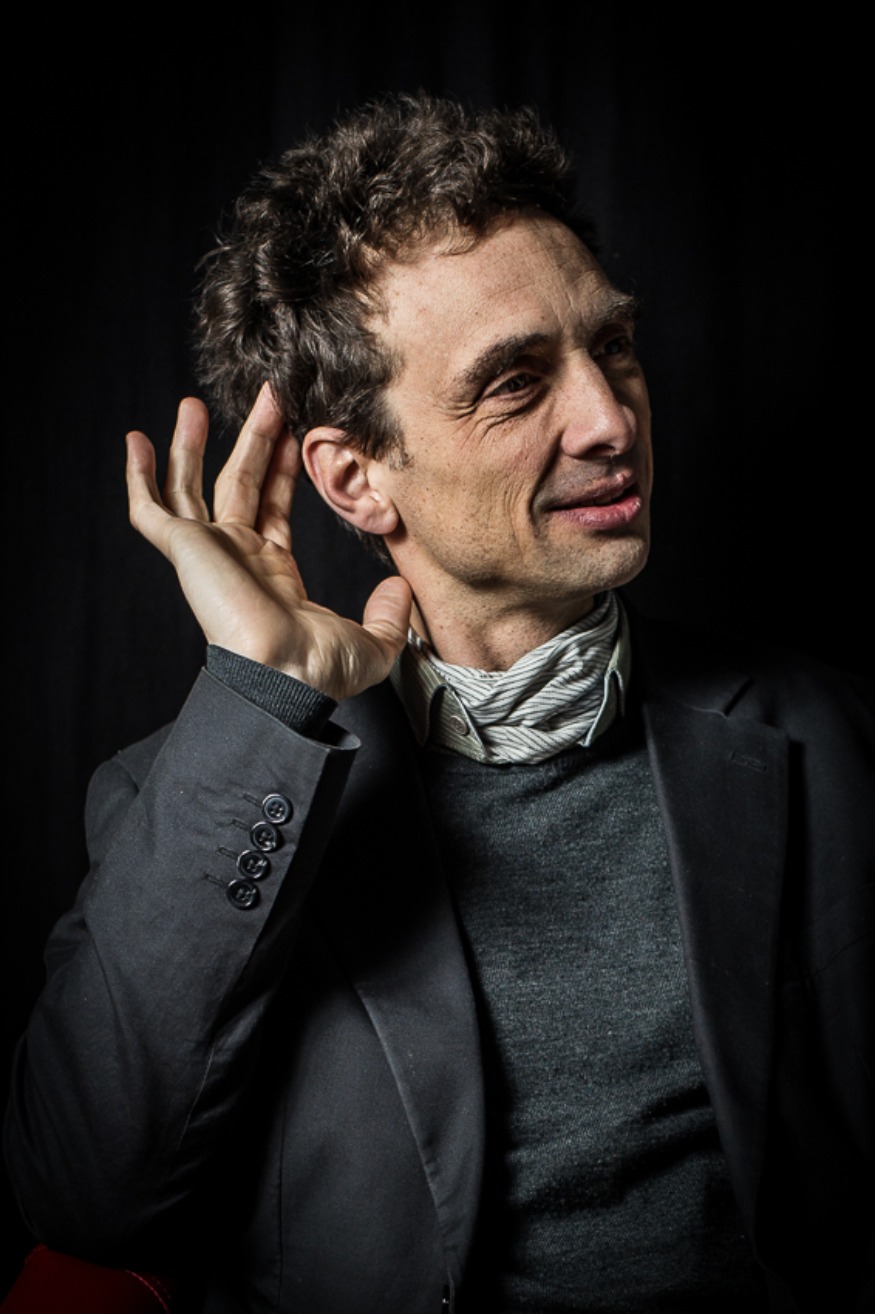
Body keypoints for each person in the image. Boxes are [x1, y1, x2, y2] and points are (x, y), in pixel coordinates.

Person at [4, 94, 872, 1314]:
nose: (609, 419)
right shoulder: (192, 797)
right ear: (356, 480)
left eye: (612, 345)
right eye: (514, 384)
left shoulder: (823, 737)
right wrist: (262, 698)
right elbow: (86, 1196)